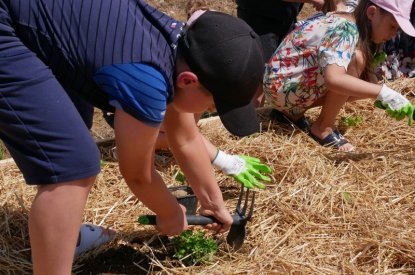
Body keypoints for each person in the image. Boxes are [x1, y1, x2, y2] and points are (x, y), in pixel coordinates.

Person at [0, 0, 271, 274]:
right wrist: (170, 213)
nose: (210, 111)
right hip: (7, 25)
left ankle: (63, 237)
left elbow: (185, 137)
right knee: (72, 165)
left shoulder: (176, 44)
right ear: (188, 81)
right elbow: (138, 175)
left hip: (35, 21)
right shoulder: (147, 80)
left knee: (72, 124)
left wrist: (213, 202)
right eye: (211, 105)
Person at [263, 0, 415, 152]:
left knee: (364, 82)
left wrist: (380, 94)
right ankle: (323, 127)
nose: (393, 34)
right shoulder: (345, 28)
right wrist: (382, 92)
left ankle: (291, 114)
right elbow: (334, 79)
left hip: (281, 85)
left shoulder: (351, 18)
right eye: (392, 26)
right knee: (357, 59)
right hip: (282, 88)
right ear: (372, 13)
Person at [235, 0, 325, 107]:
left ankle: (259, 114)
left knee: (270, 75)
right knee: (258, 77)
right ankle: (251, 117)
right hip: (260, 18)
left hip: (283, 18)